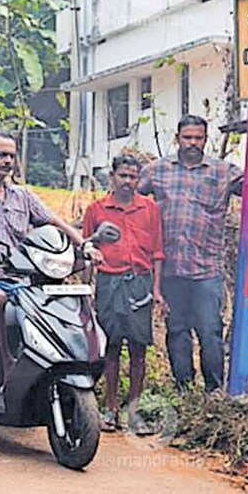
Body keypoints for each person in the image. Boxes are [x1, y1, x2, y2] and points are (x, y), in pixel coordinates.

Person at [0, 131, 101, 387]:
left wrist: (84, 244)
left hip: (21, 279)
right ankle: (7, 362)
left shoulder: (22, 195)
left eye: (11, 156)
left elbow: (54, 221)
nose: (7, 160)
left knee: (55, 301)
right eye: (1, 154)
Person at [138, 114, 243, 392]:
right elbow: (129, 198)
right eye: (187, 137)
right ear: (177, 138)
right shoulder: (156, 171)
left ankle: (213, 392)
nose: (192, 143)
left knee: (210, 332)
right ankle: (183, 390)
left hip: (207, 269)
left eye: (198, 138)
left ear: (206, 140)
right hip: (170, 268)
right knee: (177, 331)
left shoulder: (223, 172)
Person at [83, 154, 167, 435]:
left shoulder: (150, 208)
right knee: (111, 347)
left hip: (139, 284)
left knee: (139, 348)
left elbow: (157, 251)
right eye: (123, 176)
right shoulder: (96, 210)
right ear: (112, 177)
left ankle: (134, 411)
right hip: (108, 283)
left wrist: (156, 290)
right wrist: (86, 291)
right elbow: (86, 251)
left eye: (133, 177)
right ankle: (110, 409)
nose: (128, 182)